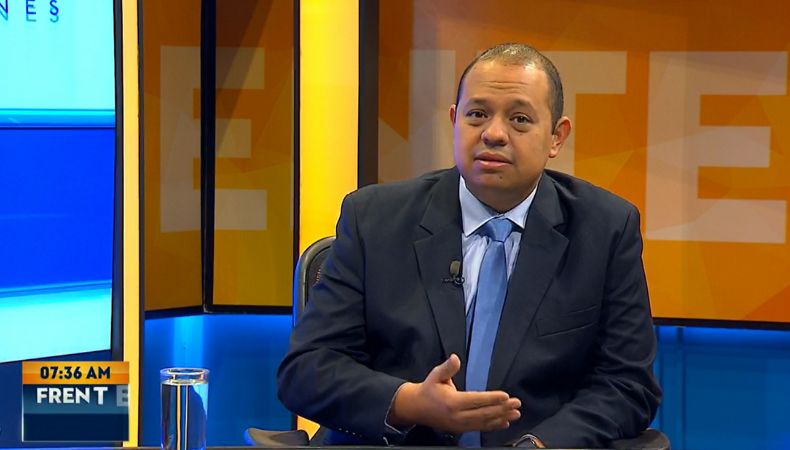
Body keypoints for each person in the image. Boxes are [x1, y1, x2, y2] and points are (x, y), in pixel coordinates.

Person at [277, 43, 661, 448]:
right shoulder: (373, 219)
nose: (493, 133)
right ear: (454, 120)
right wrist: (408, 403)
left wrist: (541, 445)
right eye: (477, 114)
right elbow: (307, 370)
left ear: (556, 136)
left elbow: (627, 384)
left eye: (519, 119)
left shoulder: (605, 230)